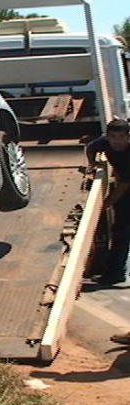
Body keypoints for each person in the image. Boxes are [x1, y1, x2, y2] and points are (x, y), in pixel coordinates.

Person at [86, 119, 130, 286]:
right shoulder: (104, 142)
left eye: (121, 137)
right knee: (119, 230)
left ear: (128, 137)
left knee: (122, 232)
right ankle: (115, 271)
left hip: (126, 188)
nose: (117, 141)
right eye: (113, 136)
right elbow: (90, 148)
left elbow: (124, 186)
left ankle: (116, 273)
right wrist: (92, 163)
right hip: (124, 188)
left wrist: (104, 205)